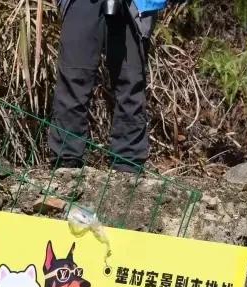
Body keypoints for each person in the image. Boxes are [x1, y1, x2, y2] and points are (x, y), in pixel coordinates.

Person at [48, 0, 170, 172]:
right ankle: (65, 163)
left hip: (135, 5)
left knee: (131, 82)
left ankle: (128, 165)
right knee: (74, 77)